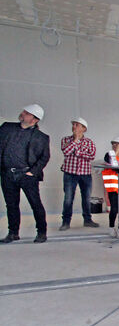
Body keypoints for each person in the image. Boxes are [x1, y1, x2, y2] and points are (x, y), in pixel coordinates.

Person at [0, 104, 50, 243]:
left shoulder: (41, 137)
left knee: (35, 204)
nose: (23, 113)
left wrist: (32, 173)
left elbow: (44, 157)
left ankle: (41, 233)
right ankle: (13, 233)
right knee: (11, 205)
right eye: (24, 111)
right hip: (7, 174)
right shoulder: (6, 128)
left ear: (35, 119)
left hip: (26, 175)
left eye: (27, 113)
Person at [59, 117, 98, 230]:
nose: (74, 127)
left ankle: (88, 220)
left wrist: (77, 152)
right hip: (70, 173)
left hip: (85, 174)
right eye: (73, 124)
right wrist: (75, 140)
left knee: (86, 198)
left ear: (84, 129)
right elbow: (66, 152)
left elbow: (91, 156)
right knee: (68, 198)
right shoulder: (66, 140)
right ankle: (66, 222)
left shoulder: (89, 142)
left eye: (77, 125)